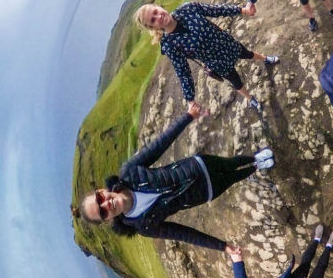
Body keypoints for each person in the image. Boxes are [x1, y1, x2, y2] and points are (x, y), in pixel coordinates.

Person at [75, 102, 275, 251]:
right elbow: (183, 233)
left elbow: (159, 146)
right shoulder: (144, 226)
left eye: (99, 199)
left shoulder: (129, 172)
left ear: (101, 191)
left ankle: (254, 157)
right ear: (107, 220)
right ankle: (256, 166)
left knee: (230, 163)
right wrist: (222, 246)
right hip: (205, 193)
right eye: (102, 212)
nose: (105, 205)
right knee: (233, 178)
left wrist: (187, 117)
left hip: (199, 164)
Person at [135, 1, 279, 114]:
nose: (158, 17)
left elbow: (216, 10)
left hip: (227, 44)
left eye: (155, 12)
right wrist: (190, 100)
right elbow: (183, 72)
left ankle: (266, 59)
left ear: (158, 7)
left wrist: (241, 10)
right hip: (217, 63)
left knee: (247, 54)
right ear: (153, 28)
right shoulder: (169, 45)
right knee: (236, 81)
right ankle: (251, 99)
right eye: (153, 20)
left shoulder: (188, 8)